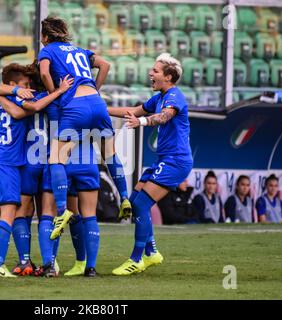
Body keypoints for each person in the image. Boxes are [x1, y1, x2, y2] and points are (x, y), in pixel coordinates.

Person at [0, 63, 72, 278]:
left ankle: (5, 260)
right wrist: (60, 90)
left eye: (28, 84)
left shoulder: (9, 97)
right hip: (35, 161)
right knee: (43, 213)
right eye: (23, 85)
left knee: (8, 213)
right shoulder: (48, 98)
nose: (26, 87)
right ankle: (47, 262)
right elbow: (28, 110)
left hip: (13, 161)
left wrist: (6, 93)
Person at [38, 17, 131, 240]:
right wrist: (94, 90)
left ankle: (62, 211)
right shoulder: (80, 51)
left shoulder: (48, 50)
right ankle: (125, 197)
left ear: (45, 36)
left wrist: (55, 94)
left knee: (56, 158)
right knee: (110, 155)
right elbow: (105, 64)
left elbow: (43, 73)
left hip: (74, 106)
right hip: (97, 104)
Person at [107, 52, 192, 275]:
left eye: (155, 71)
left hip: (176, 161)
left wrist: (142, 121)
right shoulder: (159, 97)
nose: (150, 73)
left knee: (141, 205)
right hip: (165, 160)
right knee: (135, 201)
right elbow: (133, 111)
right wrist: (99, 108)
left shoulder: (174, 96)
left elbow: (164, 117)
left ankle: (136, 259)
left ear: (169, 76)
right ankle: (151, 251)